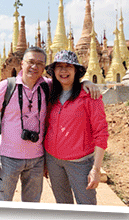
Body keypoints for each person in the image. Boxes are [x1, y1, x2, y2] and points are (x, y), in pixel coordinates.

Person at [0, 47, 100, 202]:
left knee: (32, 206)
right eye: (31, 62)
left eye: (40, 63)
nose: (35, 67)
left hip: (37, 160)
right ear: (22, 63)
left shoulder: (47, 86)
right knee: (1, 202)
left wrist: (86, 82)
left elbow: (66, 81)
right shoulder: (6, 86)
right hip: (8, 158)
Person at [44, 50, 109, 205]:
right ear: (54, 72)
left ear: (76, 71)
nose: (63, 71)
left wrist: (96, 169)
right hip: (53, 161)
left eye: (68, 67)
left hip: (80, 162)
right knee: (63, 203)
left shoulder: (89, 95)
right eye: (59, 67)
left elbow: (101, 133)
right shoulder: (51, 94)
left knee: (86, 206)